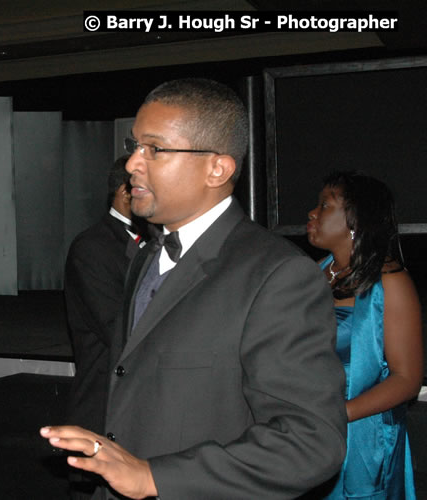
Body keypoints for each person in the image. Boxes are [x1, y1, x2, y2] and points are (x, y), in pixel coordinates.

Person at [41, 78, 348, 499]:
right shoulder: (146, 257)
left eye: (155, 148)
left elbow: (310, 441)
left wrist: (154, 477)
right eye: (134, 147)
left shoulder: (277, 274)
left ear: (217, 168)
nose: (132, 163)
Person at [306, 171, 422, 499]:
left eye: (324, 206)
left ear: (355, 219)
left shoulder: (391, 283)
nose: (312, 214)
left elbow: (407, 379)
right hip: (308, 431)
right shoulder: (312, 275)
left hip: (362, 437)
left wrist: (339, 414)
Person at [64, 155, 145, 498]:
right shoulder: (93, 246)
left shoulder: (156, 243)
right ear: (126, 192)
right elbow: (119, 330)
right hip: (104, 407)